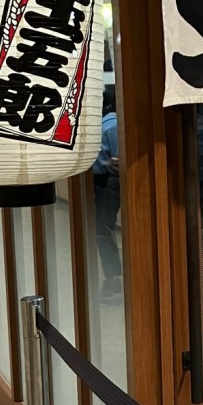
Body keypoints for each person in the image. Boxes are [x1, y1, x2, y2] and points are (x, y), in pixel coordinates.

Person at [92, 85, 121, 302]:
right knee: (103, 230)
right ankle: (113, 281)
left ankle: (114, 283)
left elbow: (118, 162)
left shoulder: (109, 127)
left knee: (103, 230)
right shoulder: (111, 125)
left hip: (107, 184)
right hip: (105, 182)